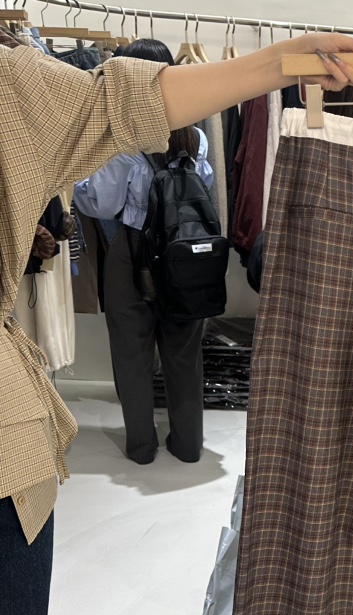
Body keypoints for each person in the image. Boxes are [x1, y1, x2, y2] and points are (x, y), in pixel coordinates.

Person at [0, 30, 353, 615]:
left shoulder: (10, 82)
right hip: (177, 255)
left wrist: (280, 62)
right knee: (170, 352)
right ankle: (168, 444)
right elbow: (128, 112)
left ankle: (151, 445)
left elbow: (119, 110)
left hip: (13, 437)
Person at [74, 39, 215, 465]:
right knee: (184, 354)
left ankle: (141, 448)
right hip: (185, 255)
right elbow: (203, 190)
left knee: (131, 354)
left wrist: (77, 185)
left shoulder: (123, 140)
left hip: (132, 251)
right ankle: (188, 446)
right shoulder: (196, 136)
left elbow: (100, 204)